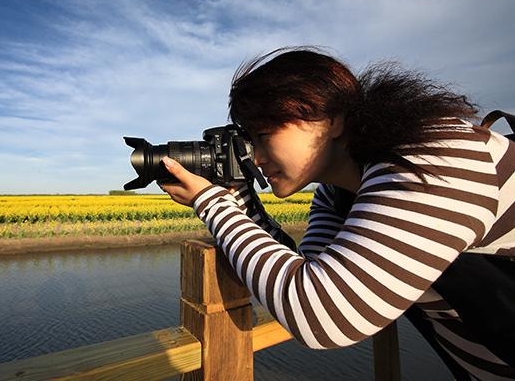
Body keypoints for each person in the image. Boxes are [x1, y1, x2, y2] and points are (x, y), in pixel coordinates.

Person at [161, 47, 515, 380]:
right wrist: (240, 197)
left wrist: (212, 204)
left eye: (265, 134)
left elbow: (321, 314)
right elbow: (304, 273)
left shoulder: (435, 155)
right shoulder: (338, 195)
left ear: (331, 119)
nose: (256, 157)